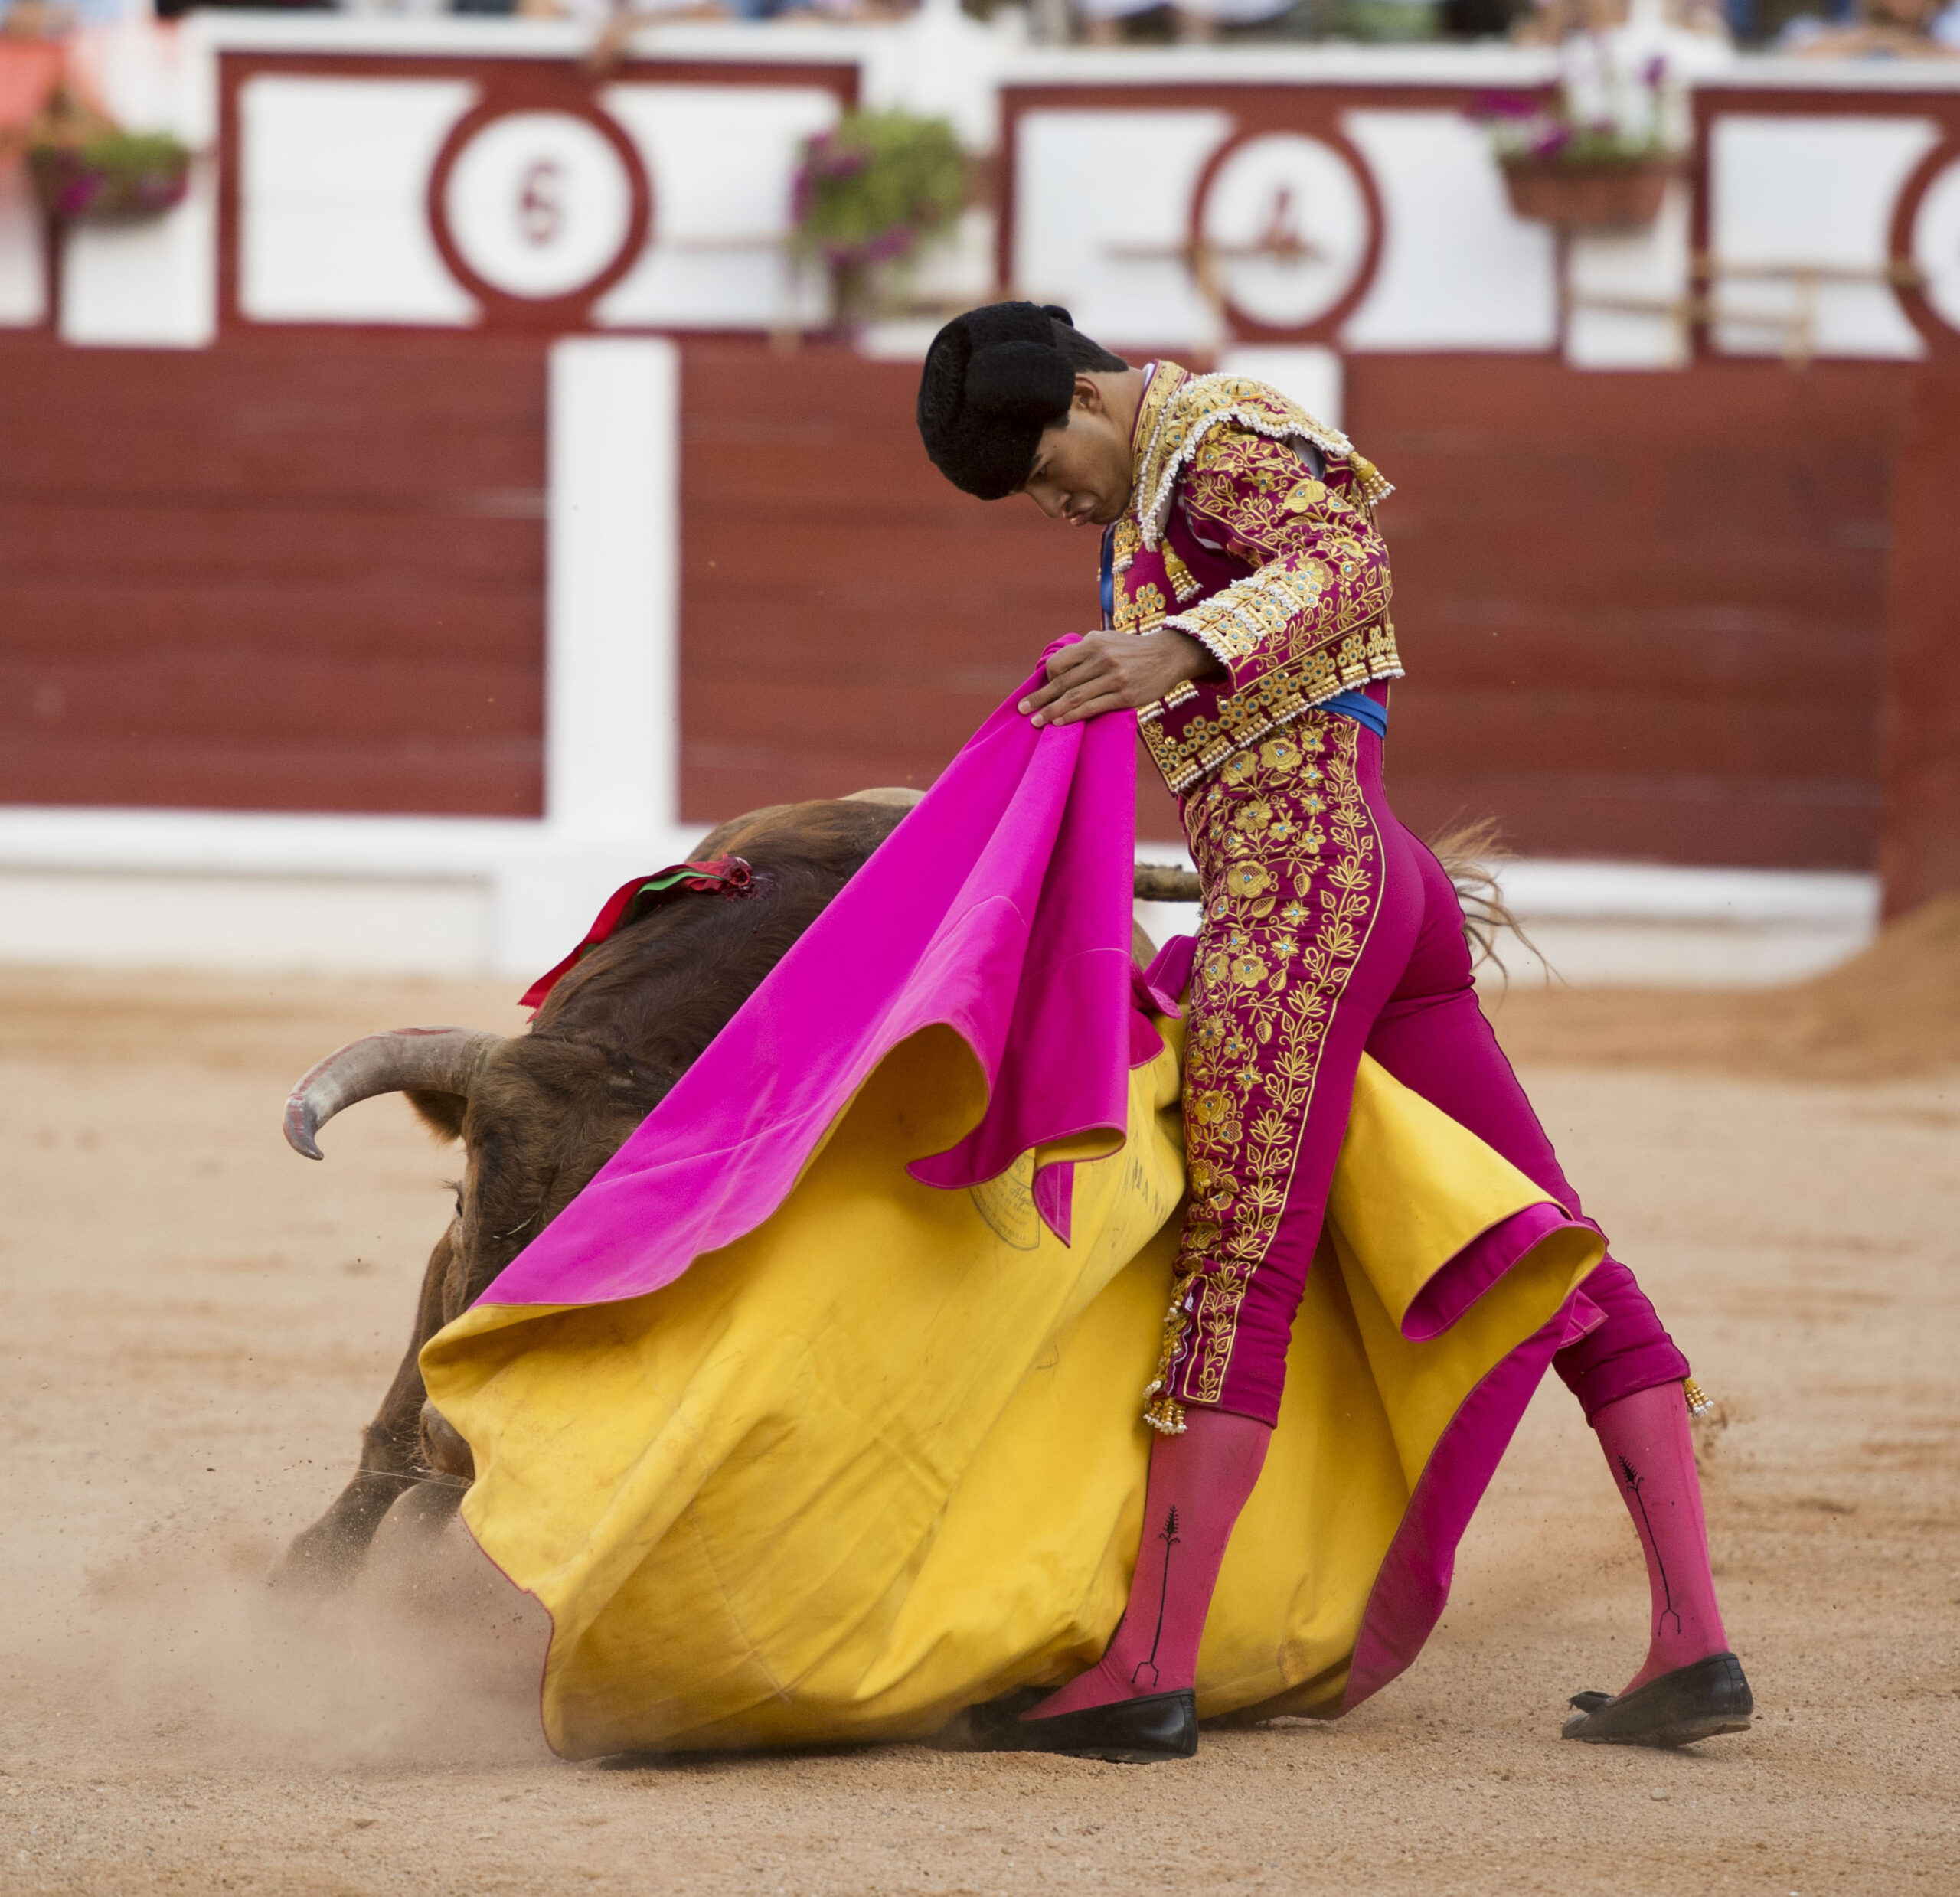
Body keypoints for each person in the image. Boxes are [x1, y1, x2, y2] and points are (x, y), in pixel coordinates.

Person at [915, 302, 1754, 1762]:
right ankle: (1695, 1641)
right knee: (1542, 1236)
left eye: (1045, 469)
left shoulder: (1215, 440)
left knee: (1237, 1263)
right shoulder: (1147, 507)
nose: (1051, 504)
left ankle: (1149, 1668)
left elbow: (1346, 559)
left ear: (1090, 402)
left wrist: (1176, 649)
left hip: (1310, 894)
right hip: (1366, 886)